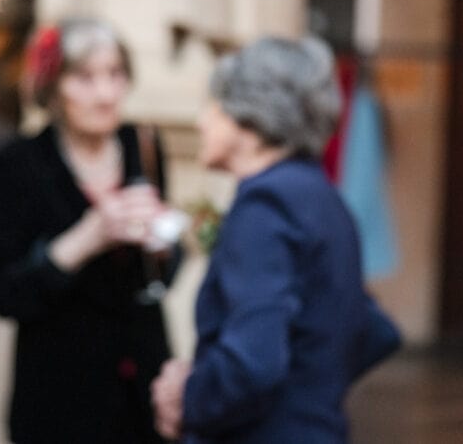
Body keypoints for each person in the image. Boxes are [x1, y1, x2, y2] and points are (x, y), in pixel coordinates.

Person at [151, 36, 390, 443]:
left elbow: (252, 363)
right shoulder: (323, 198)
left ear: (251, 119)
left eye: (215, 106)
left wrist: (187, 397)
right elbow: (368, 327)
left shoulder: (265, 205)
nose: (201, 122)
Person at [0, 18, 180, 444]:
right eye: (85, 78)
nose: (106, 94)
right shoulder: (22, 162)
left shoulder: (142, 145)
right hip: (60, 396)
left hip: (142, 385)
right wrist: (88, 238)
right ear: (52, 88)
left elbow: (159, 280)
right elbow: (2, 294)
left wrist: (164, 244)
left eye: (115, 74)